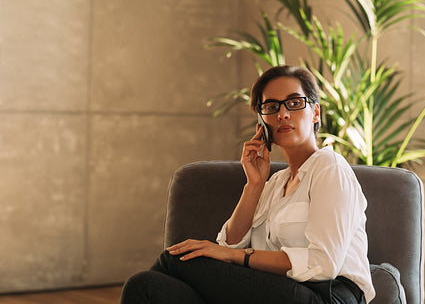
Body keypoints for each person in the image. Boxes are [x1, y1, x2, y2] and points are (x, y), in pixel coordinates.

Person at [120, 65, 375, 304]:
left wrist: (235, 257)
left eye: (294, 103)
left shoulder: (329, 167)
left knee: (175, 260)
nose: (283, 113)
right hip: (275, 291)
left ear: (315, 112)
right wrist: (254, 185)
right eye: (271, 107)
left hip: (327, 296)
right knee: (143, 286)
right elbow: (229, 245)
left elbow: (323, 263)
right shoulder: (275, 183)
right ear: (262, 122)